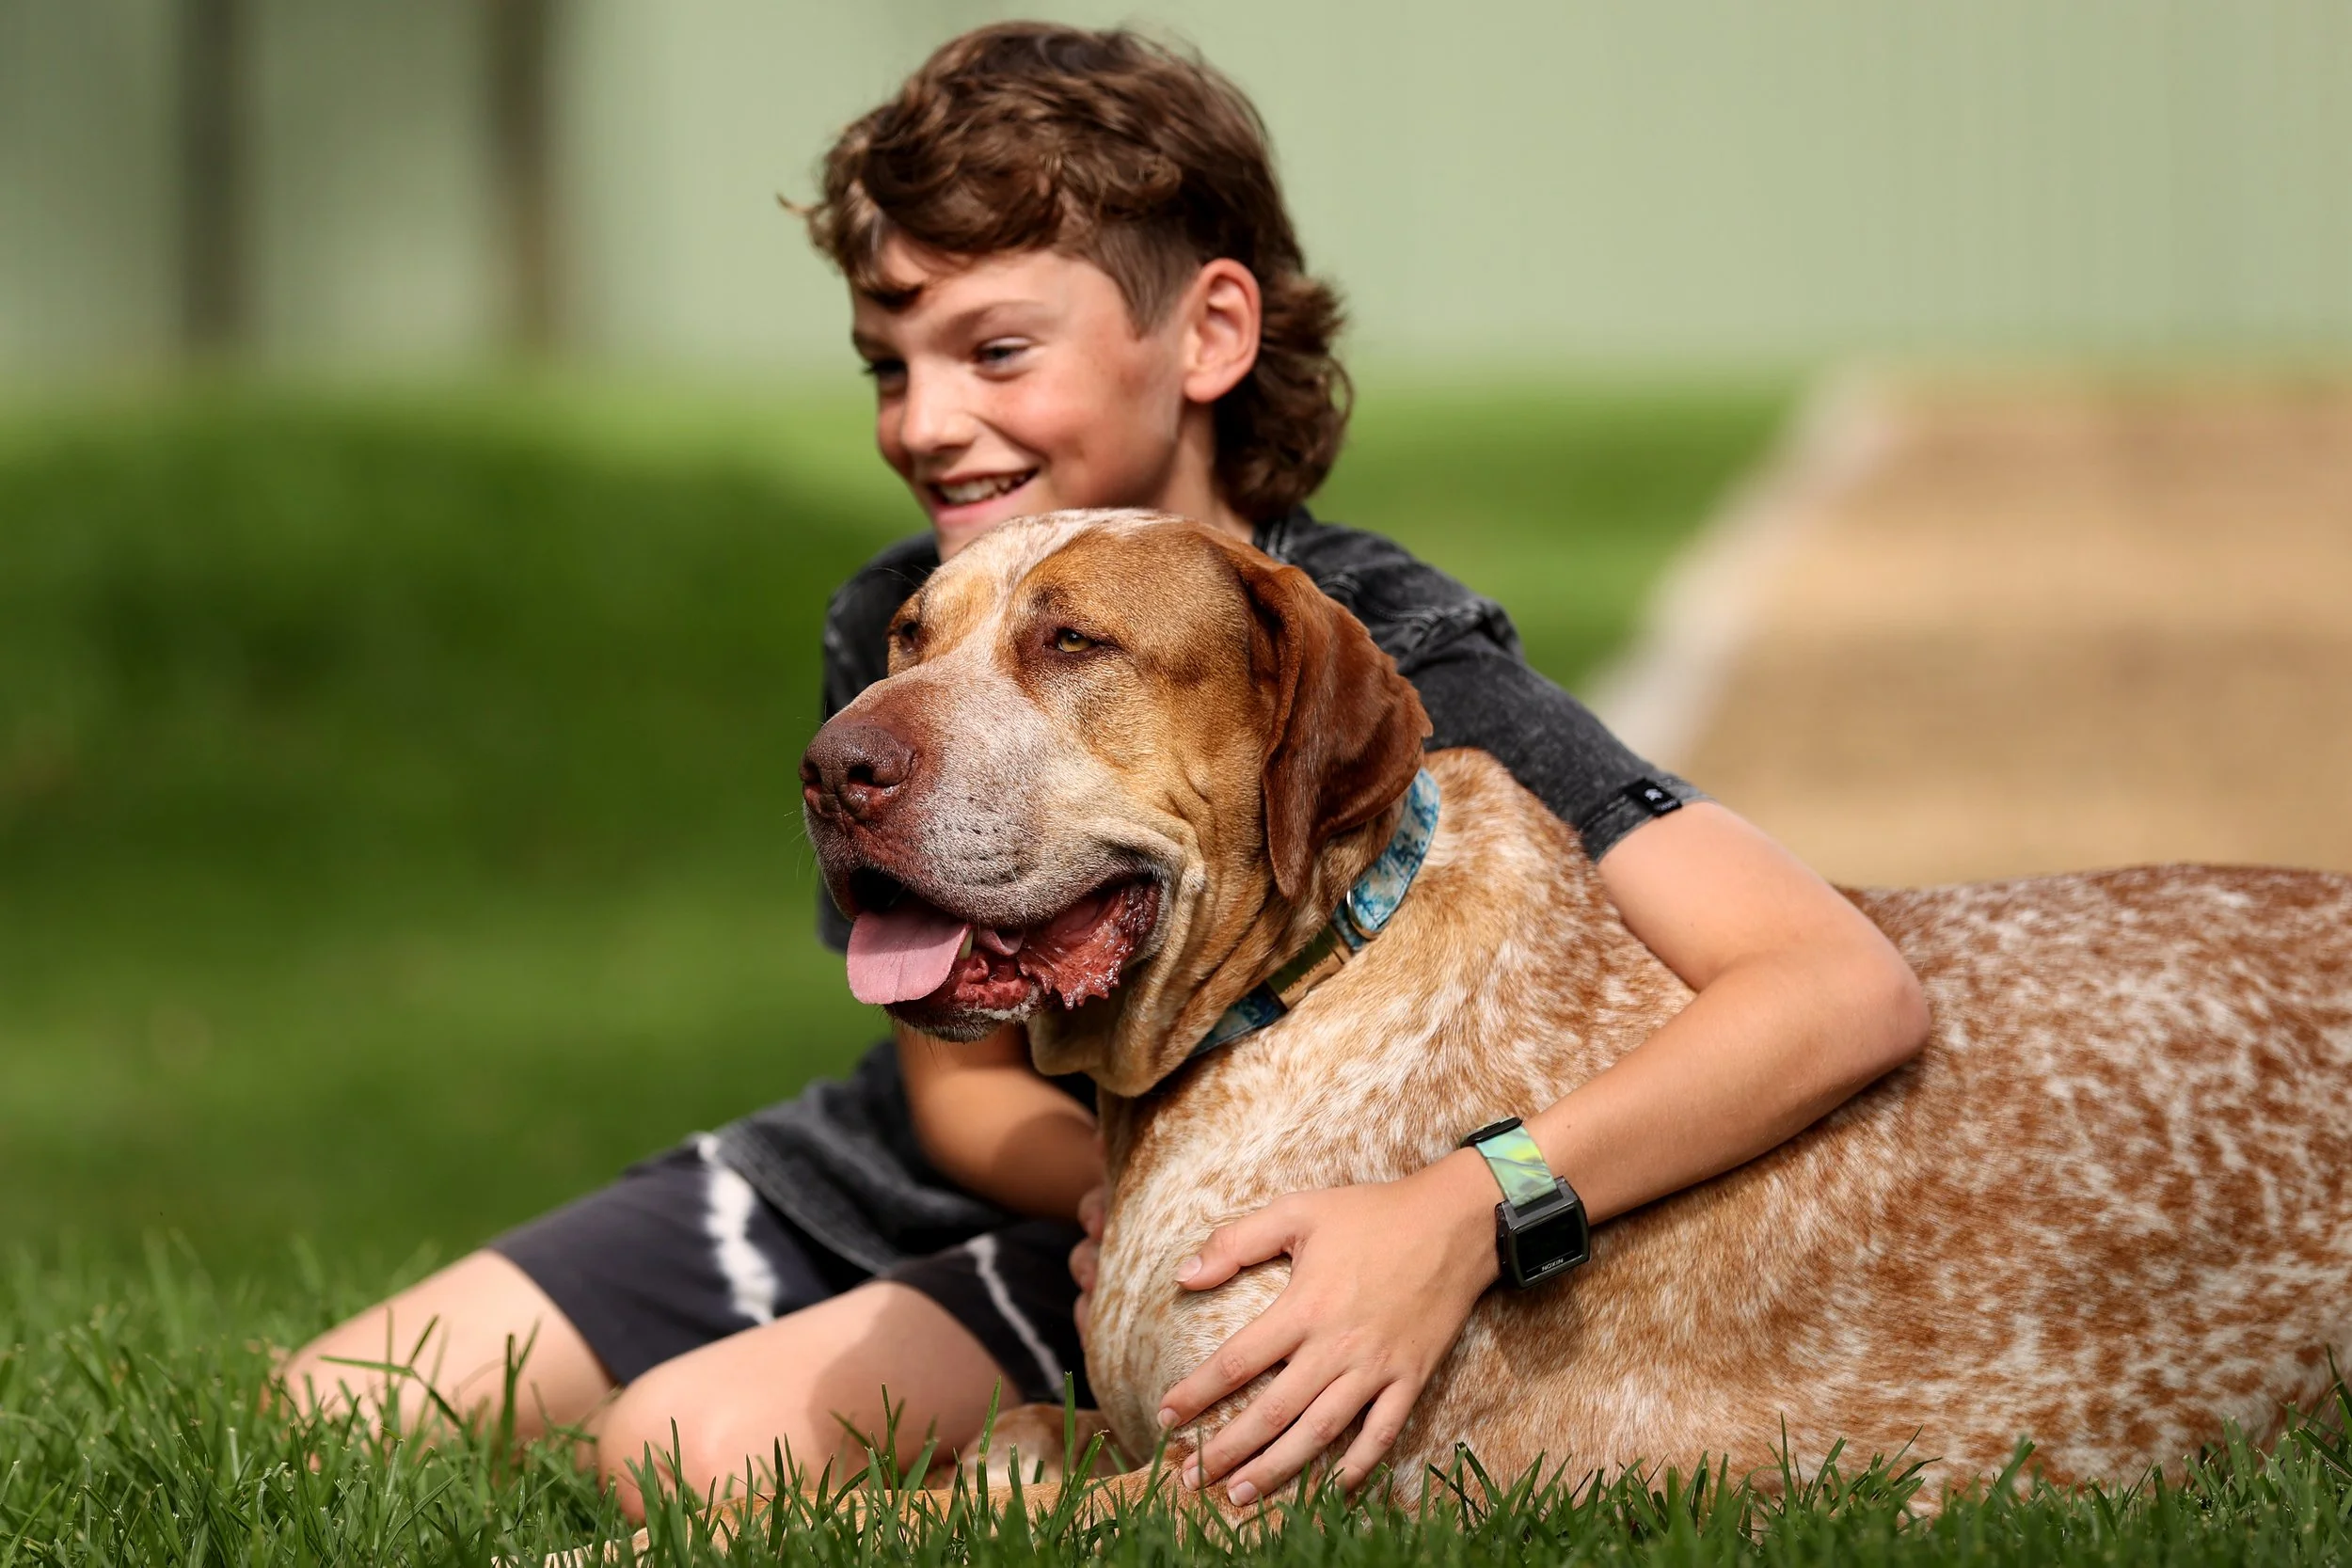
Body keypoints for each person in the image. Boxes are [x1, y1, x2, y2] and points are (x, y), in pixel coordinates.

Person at [281, 23, 1929, 1518]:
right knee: (329, 1415)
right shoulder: (906, 614)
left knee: (688, 1455)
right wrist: (1128, 1202)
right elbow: (956, 1073)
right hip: (984, 1153)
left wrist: (1440, 1211)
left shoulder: (1394, 649)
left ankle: (1027, 1433)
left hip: (1227, 1194)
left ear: (1210, 330)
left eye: (994, 354)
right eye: (887, 362)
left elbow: (1835, 982)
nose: (926, 422)